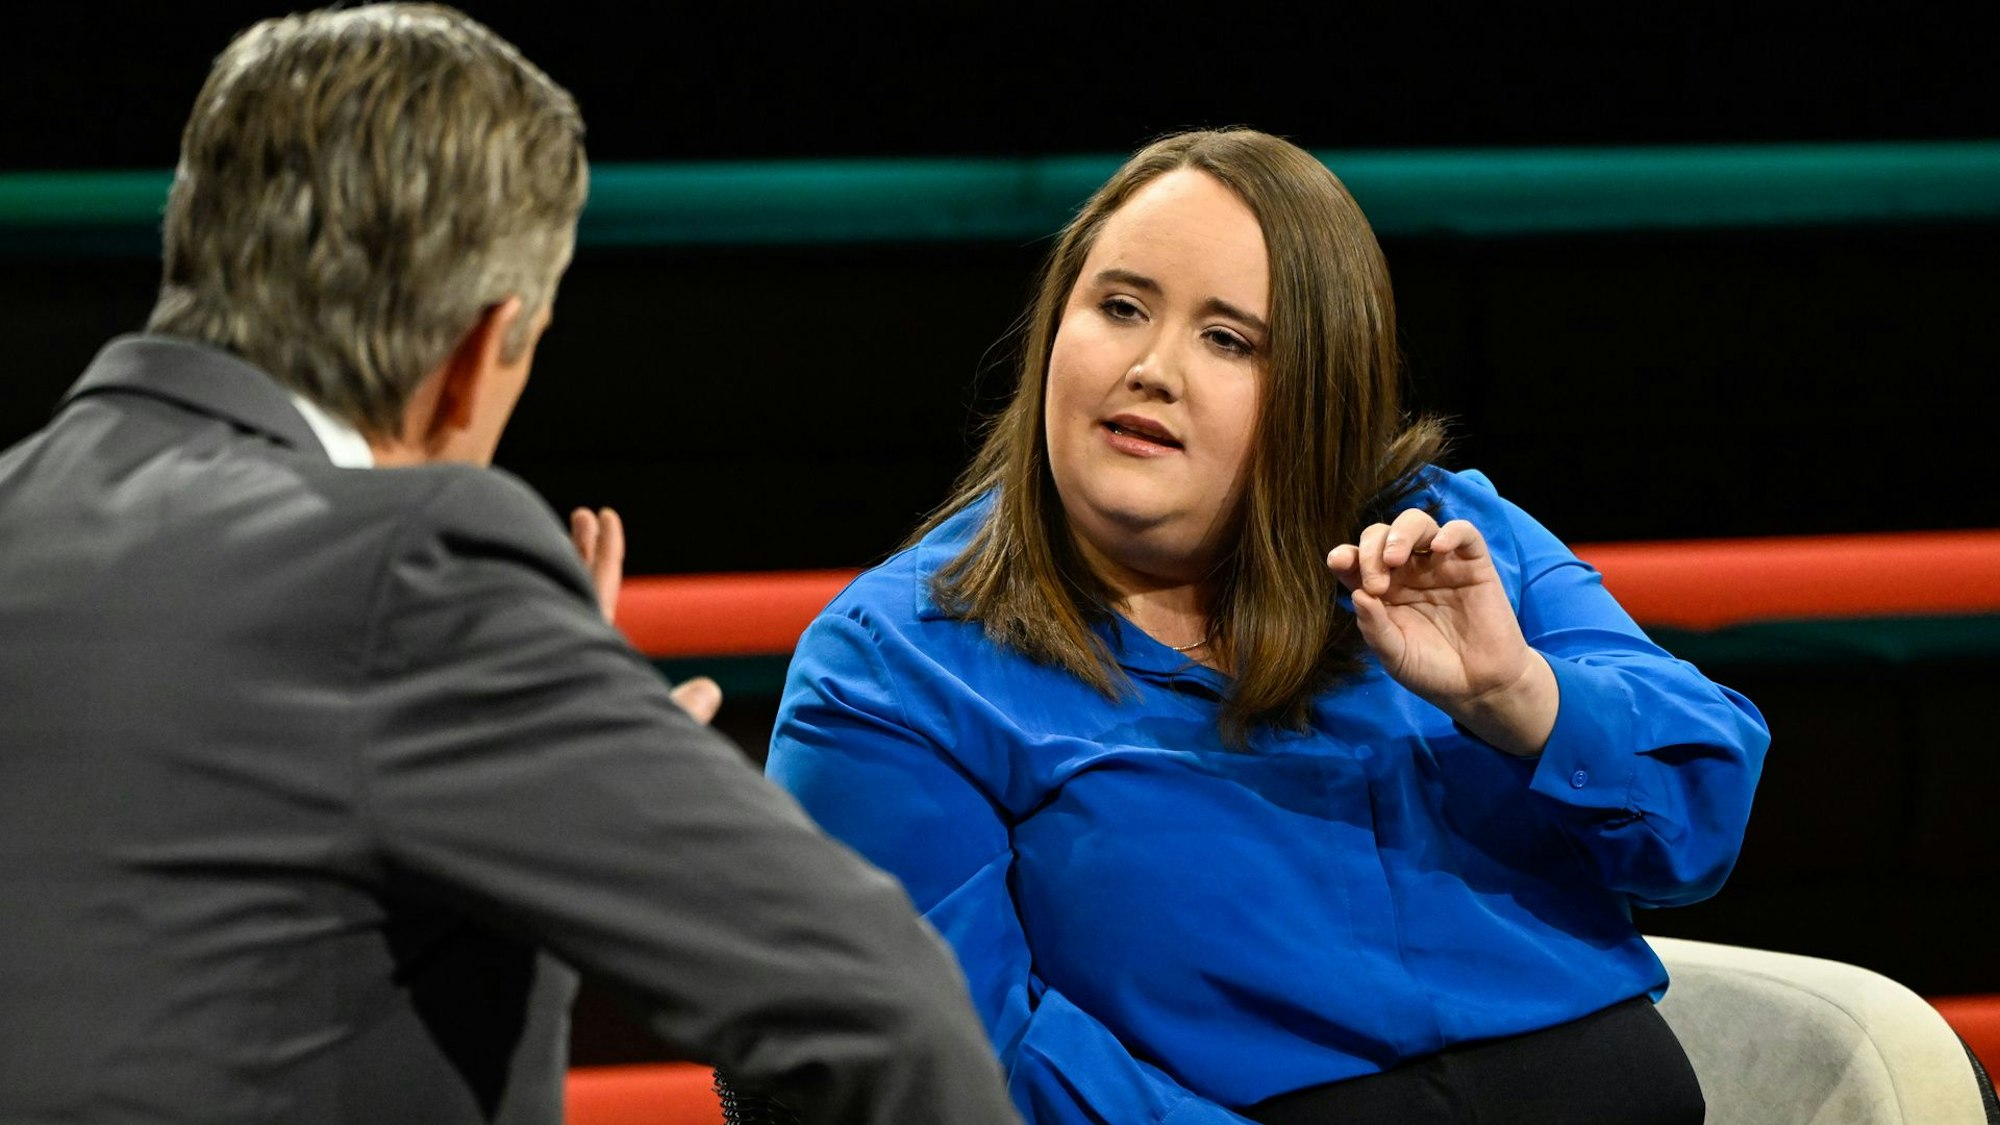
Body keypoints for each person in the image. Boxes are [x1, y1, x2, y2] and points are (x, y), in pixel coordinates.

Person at [0, 7, 1021, 1124]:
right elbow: (888, 1018)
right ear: (481, 351)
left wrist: (542, 761)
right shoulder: (410, 568)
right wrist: (500, 666)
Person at [766, 128, 1769, 1124]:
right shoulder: (897, 664)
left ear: (1317, 398)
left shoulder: (1442, 535)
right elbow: (946, 1059)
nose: (1151, 368)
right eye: (1119, 308)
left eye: (1227, 339)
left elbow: (1700, 812)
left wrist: (1515, 697)